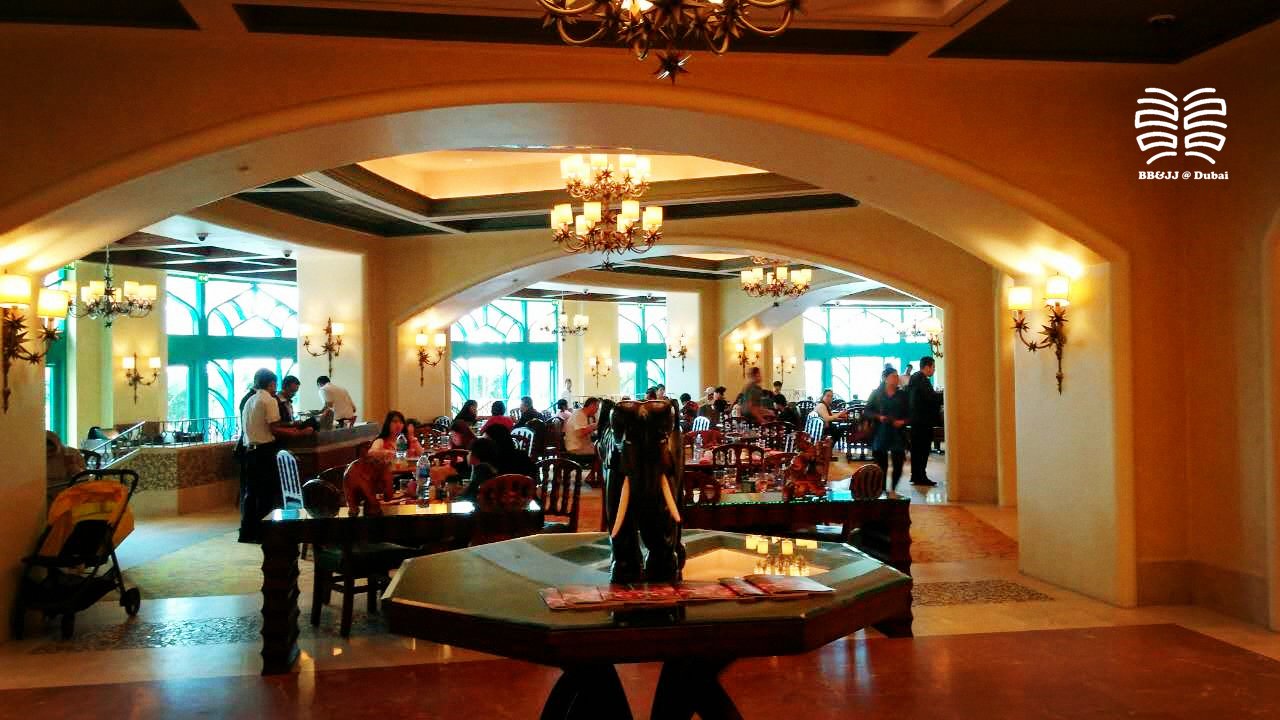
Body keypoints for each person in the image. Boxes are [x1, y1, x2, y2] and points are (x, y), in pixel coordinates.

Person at [239, 368, 314, 543]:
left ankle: (247, 533)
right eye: (275, 384)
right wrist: (300, 433)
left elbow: (265, 425)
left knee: (251, 495)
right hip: (265, 452)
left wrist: (291, 426)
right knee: (266, 495)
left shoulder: (250, 400)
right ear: (271, 383)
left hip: (249, 452)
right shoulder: (269, 400)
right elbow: (274, 429)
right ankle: (265, 533)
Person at [865, 367, 910, 494]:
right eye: (893, 376)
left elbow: (911, 413)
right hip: (881, 432)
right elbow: (867, 411)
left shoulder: (902, 395)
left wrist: (903, 421)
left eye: (897, 376)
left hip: (897, 433)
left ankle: (893, 488)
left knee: (898, 464)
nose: (897, 379)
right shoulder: (876, 394)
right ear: (885, 378)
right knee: (881, 465)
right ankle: (882, 489)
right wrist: (878, 417)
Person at [907, 356, 943, 486]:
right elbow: (931, 398)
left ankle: (916, 475)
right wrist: (946, 394)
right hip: (922, 421)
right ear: (927, 367)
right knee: (922, 450)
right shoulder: (921, 379)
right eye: (933, 367)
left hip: (917, 420)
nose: (934, 370)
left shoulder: (916, 378)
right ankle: (920, 476)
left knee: (918, 450)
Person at [564, 397, 600, 469]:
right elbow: (580, 433)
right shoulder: (579, 415)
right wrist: (595, 426)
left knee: (601, 450)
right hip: (576, 448)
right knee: (602, 453)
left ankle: (592, 474)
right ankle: (596, 475)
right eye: (597, 407)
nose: (597, 411)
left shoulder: (584, 414)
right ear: (591, 406)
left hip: (582, 446)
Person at [815, 388, 851, 457]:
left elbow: (831, 415)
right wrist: (840, 414)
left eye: (831, 396)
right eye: (828, 396)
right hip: (823, 429)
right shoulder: (821, 405)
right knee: (841, 429)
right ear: (823, 396)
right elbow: (827, 418)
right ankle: (827, 450)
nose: (829, 398)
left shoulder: (824, 405)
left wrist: (841, 417)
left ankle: (828, 449)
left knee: (840, 427)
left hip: (823, 427)